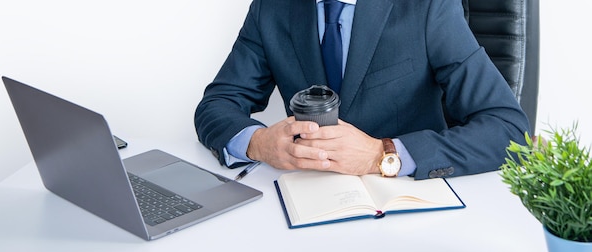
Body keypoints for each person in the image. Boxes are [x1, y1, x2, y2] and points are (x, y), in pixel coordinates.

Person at [194, 0, 530, 180]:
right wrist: (259, 143)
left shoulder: (428, 6)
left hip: (408, 200)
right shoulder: (273, 7)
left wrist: (380, 154)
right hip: (310, 199)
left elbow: (508, 129)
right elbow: (217, 104)